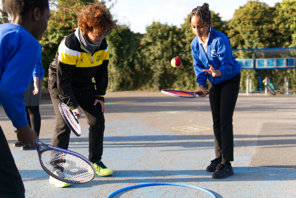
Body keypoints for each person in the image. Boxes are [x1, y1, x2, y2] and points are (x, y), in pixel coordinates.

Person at [48, 2, 116, 188]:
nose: (101, 37)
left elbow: (102, 73)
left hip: (84, 84)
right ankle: (56, 170)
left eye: (104, 33)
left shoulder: (103, 45)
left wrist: (100, 96)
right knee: (64, 123)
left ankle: (95, 161)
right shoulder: (70, 44)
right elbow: (63, 81)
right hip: (60, 84)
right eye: (97, 34)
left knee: (97, 119)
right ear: (86, 29)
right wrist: (71, 105)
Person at [0, 0, 50, 197]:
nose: (46, 25)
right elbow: (9, 91)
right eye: (48, 18)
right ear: (36, 14)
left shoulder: (3, 30)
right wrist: (23, 128)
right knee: (11, 189)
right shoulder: (27, 41)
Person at [190, 3, 241, 179]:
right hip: (215, 81)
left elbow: (227, 64)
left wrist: (217, 72)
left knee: (225, 120)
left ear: (209, 23)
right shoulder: (195, 44)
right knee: (216, 121)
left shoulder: (220, 39)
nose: (197, 30)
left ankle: (227, 164)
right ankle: (219, 158)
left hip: (230, 79)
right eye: (194, 26)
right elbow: (198, 67)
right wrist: (201, 85)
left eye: (201, 26)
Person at [14, 59, 44, 150]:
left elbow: (36, 65)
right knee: (25, 108)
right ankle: (27, 138)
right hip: (23, 80)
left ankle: (34, 141)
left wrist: (36, 83)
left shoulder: (33, 45)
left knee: (32, 109)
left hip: (32, 80)